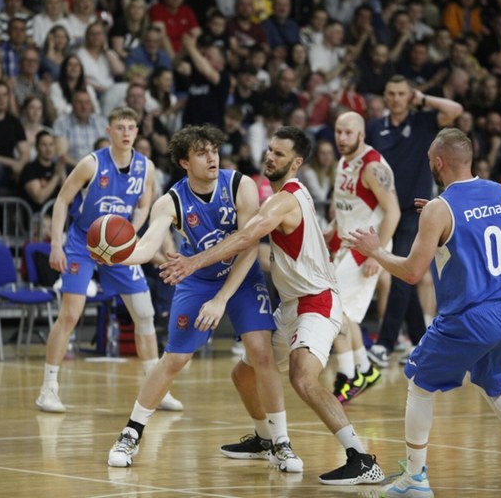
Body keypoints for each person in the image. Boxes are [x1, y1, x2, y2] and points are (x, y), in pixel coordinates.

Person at [161, 126, 385, 485]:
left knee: (302, 377)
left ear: (296, 163)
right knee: (243, 373)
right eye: (269, 150)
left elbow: (247, 236)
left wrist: (194, 262)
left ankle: (361, 458)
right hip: (294, 303)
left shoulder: (284, 199)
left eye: (279, 154)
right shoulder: (288, 195)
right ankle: (265, 439)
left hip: (318, 300)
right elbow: (263, 250)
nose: (269, 157)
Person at [345, 128, 501, 498]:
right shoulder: (500, 193)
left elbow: (411, 272)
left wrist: (375, 250)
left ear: (439, 163)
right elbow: (470, 229)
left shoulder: (440, 209)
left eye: (430, 162)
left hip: (471, 316)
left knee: (418, 383)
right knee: (492, 380)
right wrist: (436, 222)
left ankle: (415, 479)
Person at [105, 125, 302, 473]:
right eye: (201, 153)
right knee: (175, 360)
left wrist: (223, 299)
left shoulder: (240, 185)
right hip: (197, 281)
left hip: (241, 278)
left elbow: (248, 245)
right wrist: (117, 254)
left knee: (260, 353)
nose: (212, 157)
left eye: (214, 150)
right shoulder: (171, 201)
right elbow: (149, 245)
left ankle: (281, 442)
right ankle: (131, 433)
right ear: (184, 161)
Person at [35, 106, 182, 414]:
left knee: (144, 313)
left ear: (137, 132)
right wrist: (56, 245)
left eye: (131, 127)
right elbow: (62, 200)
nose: (126, 133)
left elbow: (144, 205)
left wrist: (132, 230)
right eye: (120, 127)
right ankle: (48, 389)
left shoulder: (147, 167)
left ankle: (156, 391)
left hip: (117, 246)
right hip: (81, 242)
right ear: (109, 131)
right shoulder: (92, 163)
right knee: (70, 315)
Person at [366, 75, 463, 367]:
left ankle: (384, 343)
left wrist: (422, 99)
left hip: (415, 211)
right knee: (402, 279)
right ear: (385, 96)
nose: (396, 98)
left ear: (409, 96)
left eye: (401, 93)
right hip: (385, 210)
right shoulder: (374, 128)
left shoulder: (424, 122)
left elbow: (455, 109)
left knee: (402, 272)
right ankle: (422, 341)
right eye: (391, 93)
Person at [327, 112, 399, 403]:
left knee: (333, 311)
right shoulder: (343, 162)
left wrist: (377, 253)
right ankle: (365, 371)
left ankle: (348, 376)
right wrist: (329, 232)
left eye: (348, 133)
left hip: (366, 247)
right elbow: (346, 210)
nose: (342, 138)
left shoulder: (372, 167)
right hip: (347, 244)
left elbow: (393, 211)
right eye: (338, 131)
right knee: (346, 314)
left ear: (361, 135)